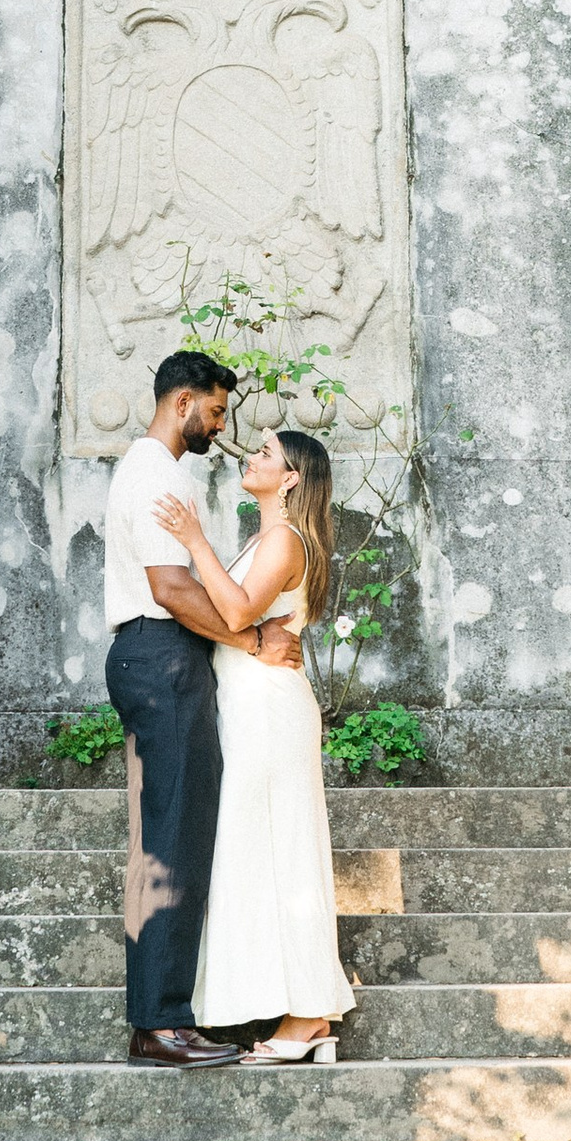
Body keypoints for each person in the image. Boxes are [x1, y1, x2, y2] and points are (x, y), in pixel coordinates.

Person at [158, 428, 355, 1061]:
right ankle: (290, 1011)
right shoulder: (262, 539)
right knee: (256, 853)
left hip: (270, 711)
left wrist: (193, 540)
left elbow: (239, 612)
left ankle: (307, 1020)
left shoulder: (285, 540)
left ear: (291, 478)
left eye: (267, 452)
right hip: (247, 708)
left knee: (287, 851)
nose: (253, 456)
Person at [99, 348, 247, 1068]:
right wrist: (247, 638)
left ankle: (159, 1017)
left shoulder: (152, 470)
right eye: (215, 411)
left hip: (153, 660)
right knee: (171, 840)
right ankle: (162, 1023)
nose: (219, 427)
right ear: (183, 403)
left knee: (166, 836)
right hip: (161, 656)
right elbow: (172, 588)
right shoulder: (155, 474)